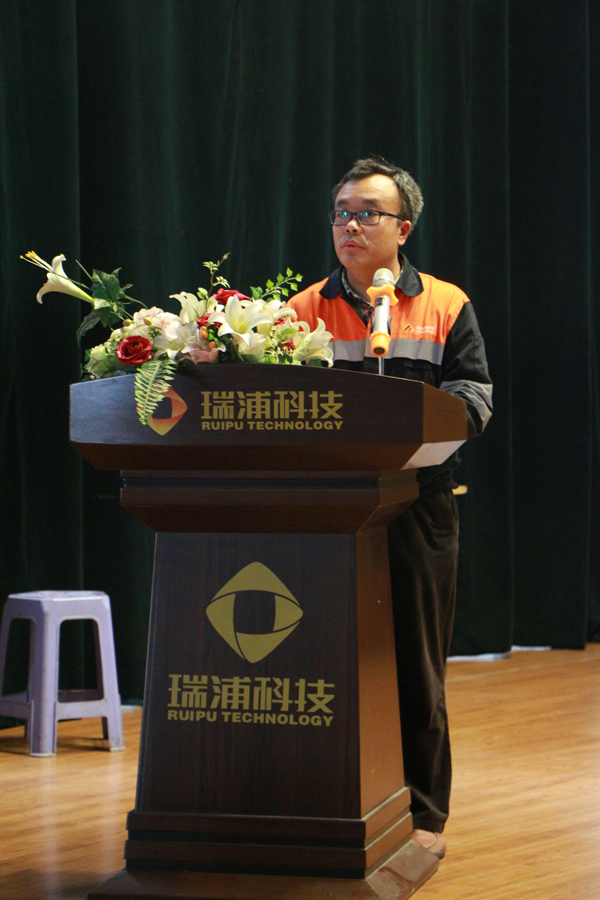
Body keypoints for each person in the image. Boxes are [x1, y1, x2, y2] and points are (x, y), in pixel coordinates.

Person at [287, 157, 492, 859]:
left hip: (417, 505)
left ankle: (424, 815)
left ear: (403, 228)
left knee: (414, 661)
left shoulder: (445, 303)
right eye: (341, 213)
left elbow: (475, 399)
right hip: (326, 510)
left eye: (367, 213)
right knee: (322, 659)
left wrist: (408, 423)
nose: (350, 225)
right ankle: (330, 800)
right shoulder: (302, 309)